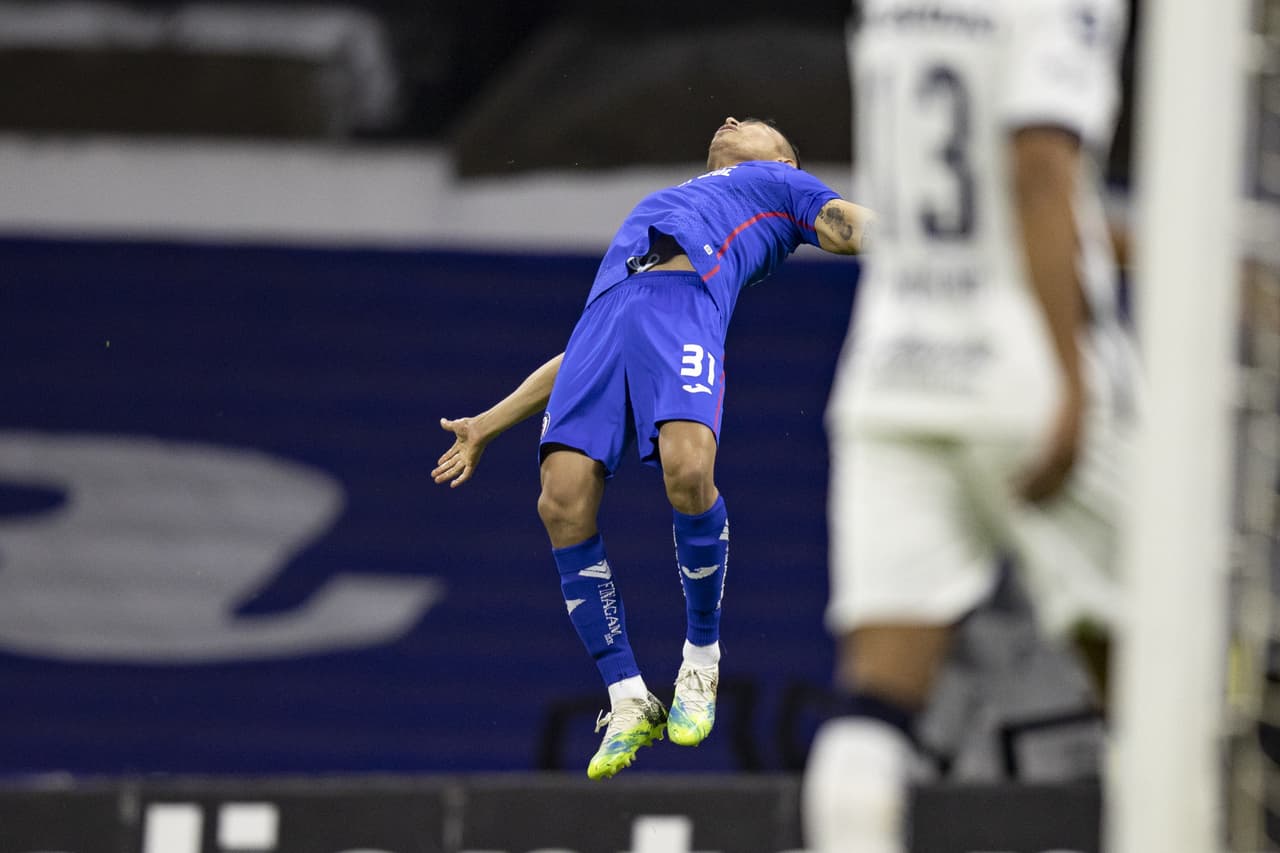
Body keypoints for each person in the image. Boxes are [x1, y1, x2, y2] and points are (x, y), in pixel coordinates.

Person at [434, 116, 875, 780]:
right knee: (560, 501)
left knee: (687, 467)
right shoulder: (661, 207)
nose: (728, 119)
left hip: (684, 309)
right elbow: (582, 348)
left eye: (749, 121)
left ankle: (700, 660)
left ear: (783, 154)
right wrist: (488, 422)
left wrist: (942, 239)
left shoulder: (782, 187)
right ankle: (627, 695)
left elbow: (850, 224)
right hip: (608, 325)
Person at [803, 1, 1133, 850]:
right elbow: (1036, 167)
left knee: (875, 702)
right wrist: (1071, 374)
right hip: (1021, 365)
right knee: (1160, 687)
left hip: (893, 368)